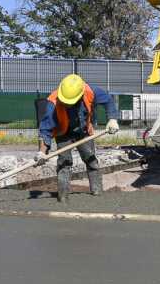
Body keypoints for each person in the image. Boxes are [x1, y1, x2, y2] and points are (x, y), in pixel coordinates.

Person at [38, 73, 120, 202]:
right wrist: (42, 153)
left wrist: (112, 119)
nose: (67, 105)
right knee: (64, 163)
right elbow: (45, 129)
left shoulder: (90, 91)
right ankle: (63, 198)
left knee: (91, 160)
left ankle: (97, 193)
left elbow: (108, 100)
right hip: (63, 134)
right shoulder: (52, 103)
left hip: (84, 132)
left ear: (80, 95)